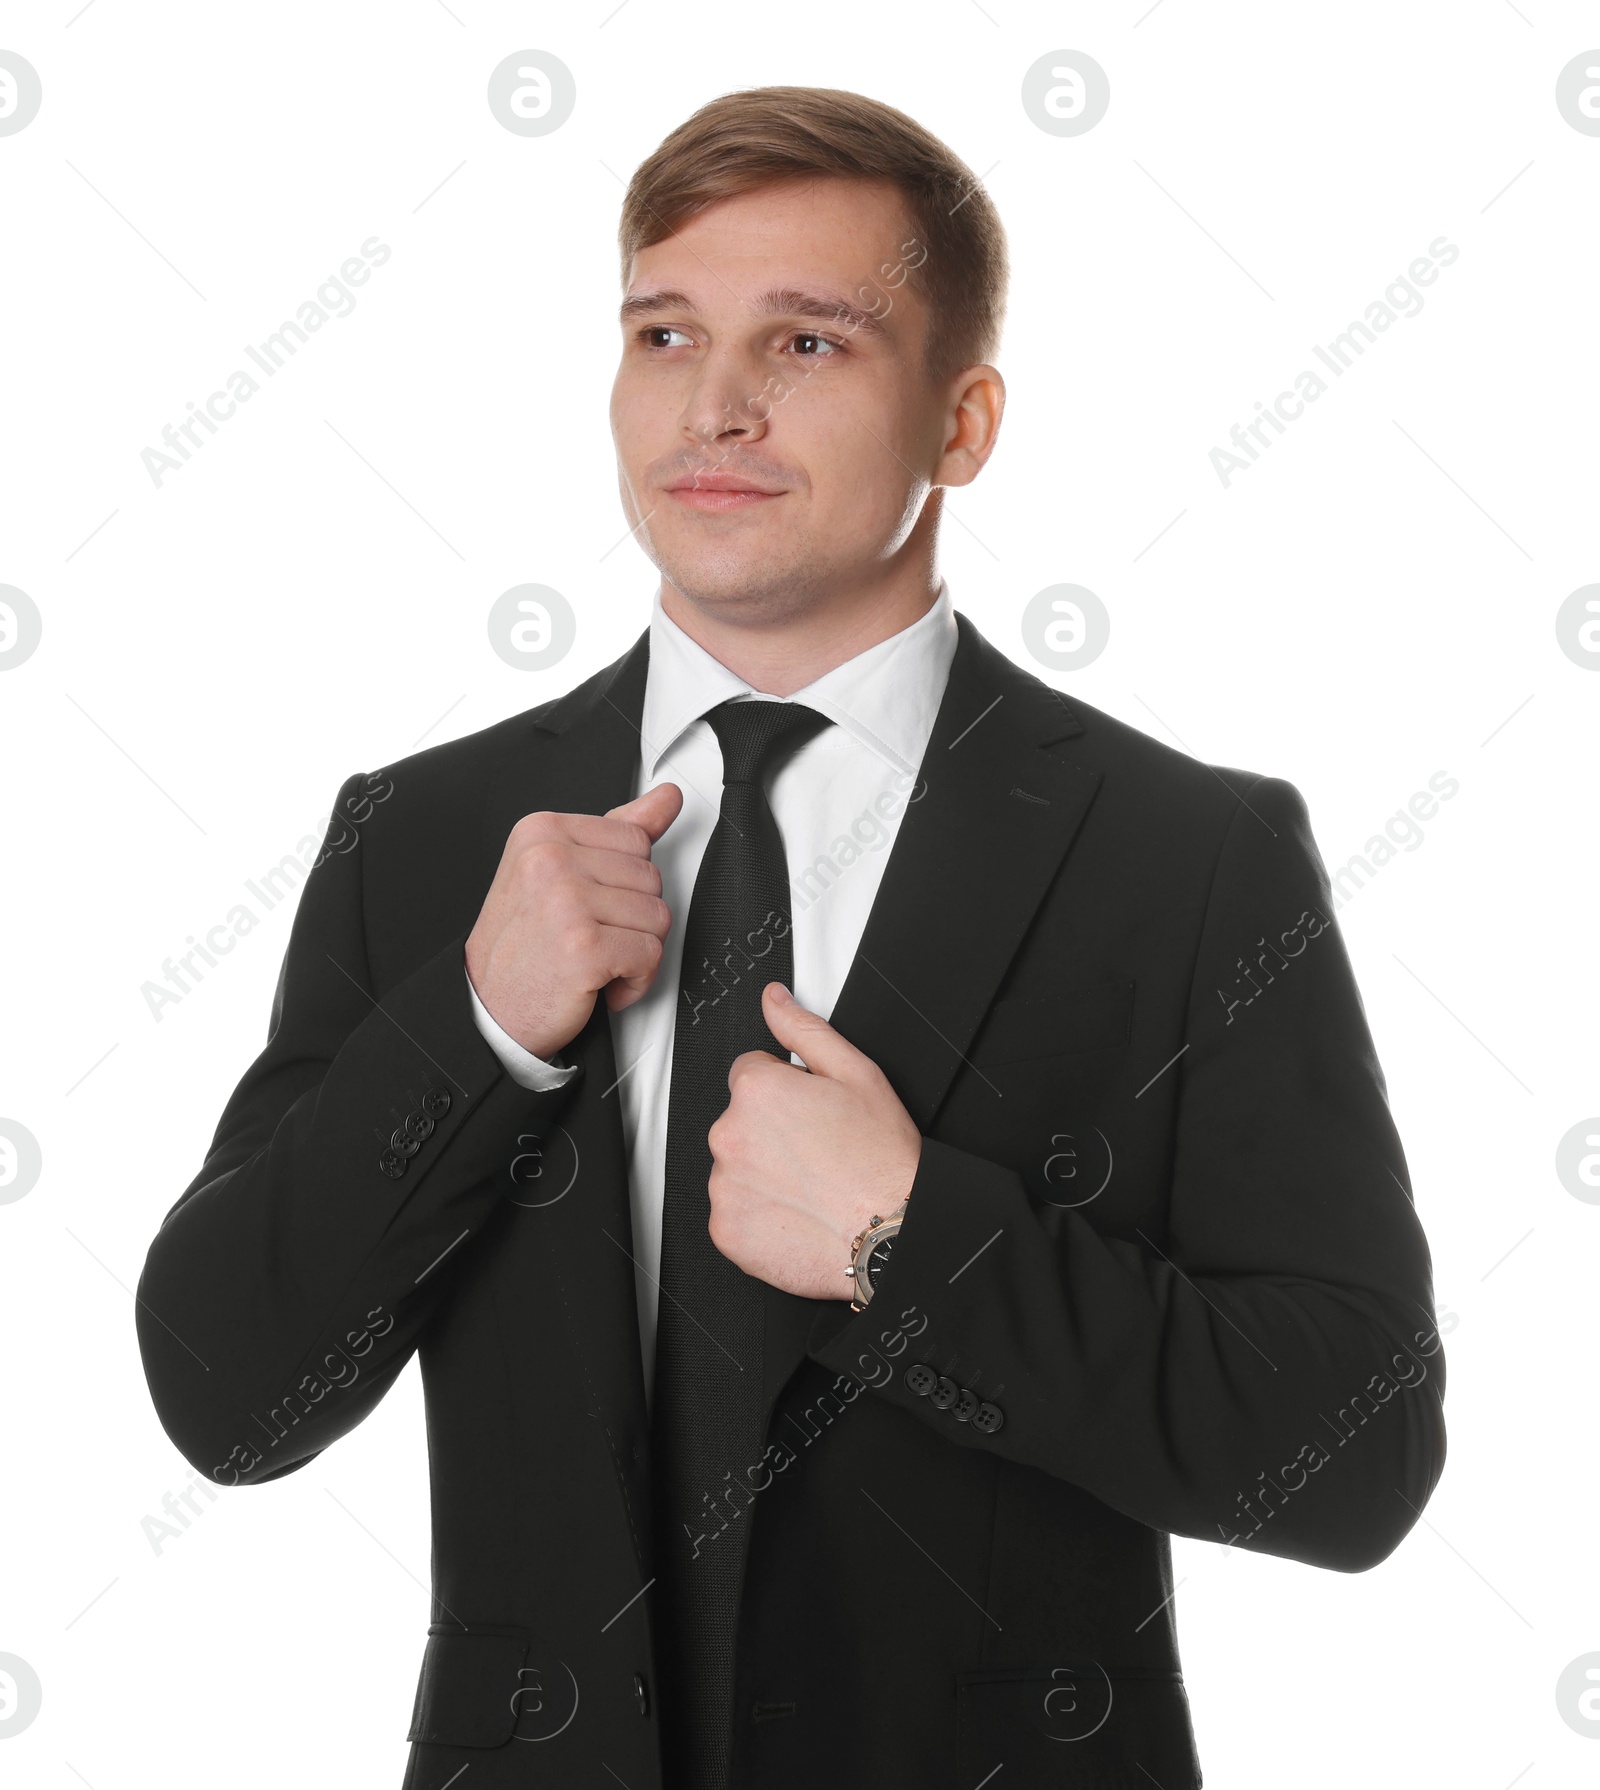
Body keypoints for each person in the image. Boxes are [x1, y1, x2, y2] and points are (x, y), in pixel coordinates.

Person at [136, 84, 1447, 1790]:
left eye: (811, 343)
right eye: (665, 332)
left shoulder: (1187, 858)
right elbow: (229, 1395)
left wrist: (917, 1244)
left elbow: (1353, 1453)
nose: (718, 403)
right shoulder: (428, 838)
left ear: (963, 419)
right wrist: (479, 1031)